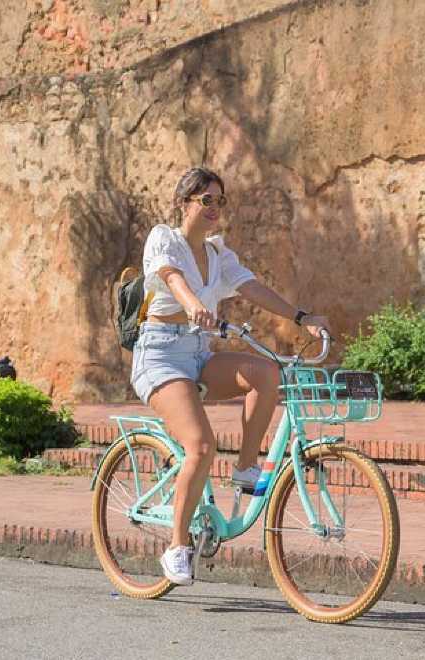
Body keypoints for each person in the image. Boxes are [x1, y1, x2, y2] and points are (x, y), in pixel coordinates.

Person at [130, 167, 329, 586]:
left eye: (220, 201)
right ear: (185, 202)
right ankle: (176, 547)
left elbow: (252, 287)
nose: (215, 208)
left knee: (265, 373)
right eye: (207, 200)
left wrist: (300, 317)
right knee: (201, 446)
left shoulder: (219, 255)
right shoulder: (164, 238)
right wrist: (191, 305)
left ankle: (244, 469)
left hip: (198, 352)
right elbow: (172, 277)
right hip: (160, 356)